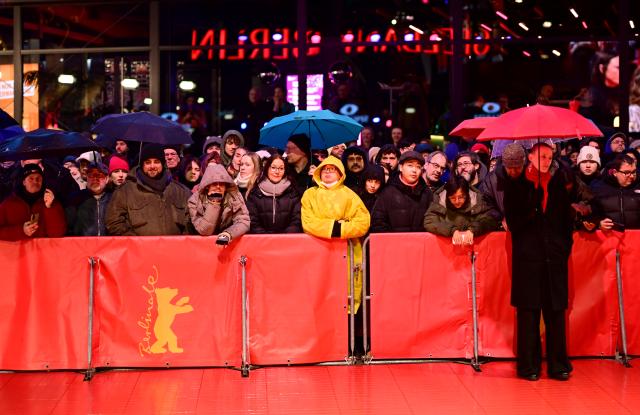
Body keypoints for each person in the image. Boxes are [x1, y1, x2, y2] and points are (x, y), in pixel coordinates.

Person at [503, 142, 575, 381]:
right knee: (529, 313)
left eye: (549, 156)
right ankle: (528, 366)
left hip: (554, 258)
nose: (546, 160)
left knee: (555, 312)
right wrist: (533, 204)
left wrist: (563, 248)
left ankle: (558, 365)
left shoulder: (557, 184)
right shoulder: (516, 186)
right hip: (528, 259)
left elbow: (566, 221)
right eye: (542, 156)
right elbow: (513, 223)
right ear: (530, 157)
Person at [301, 156, 370, 313]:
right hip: (317, 251)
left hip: (347, 251)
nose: (328, 172)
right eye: (325, 169)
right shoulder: (310, 195)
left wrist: (340, 229)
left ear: (340, 174)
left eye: (332, 170)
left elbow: (362, 223)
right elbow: (308, 223)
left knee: (345, 292)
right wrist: (336, 227)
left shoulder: (350, 195)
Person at [105, 144, 192, 236]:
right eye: (148, 162)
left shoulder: (181, 191)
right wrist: (136, 242)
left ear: (163, 163)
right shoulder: (125, 191)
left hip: (173, 248)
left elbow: (190, 223)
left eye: (156, 162)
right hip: (138, 248)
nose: (152, 166)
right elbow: (114, 222)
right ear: (142, 164)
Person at [0, 163, 66, 241]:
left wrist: (50, 208)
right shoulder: (8, 204)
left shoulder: (52, 202)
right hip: (17, 252)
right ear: (24, 182)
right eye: (31, 178)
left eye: (39, 178)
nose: (35, 181)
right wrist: (21, 231)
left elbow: (57, 234)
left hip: (43, 251)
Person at [424, 174, 498, 243]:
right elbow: (429, 222)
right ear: (447, 196)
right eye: (452, 198)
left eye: (461, 197)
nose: (457, 201)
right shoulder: (439, 201)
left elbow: (490, 220)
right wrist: (452, 230)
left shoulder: (477, 201)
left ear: (467, 194)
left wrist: (473, 230)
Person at [370, 151, 432, 232]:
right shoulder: (388, 192)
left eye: (418, 167)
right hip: (394, 242)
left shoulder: (427, 193)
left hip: (420, 242)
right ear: (401, 167)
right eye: (410, 165)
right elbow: (378, 221)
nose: (414, 170)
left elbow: (432, 220)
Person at [188, 164, 250, 243]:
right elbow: (205, 231)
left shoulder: (234, 196)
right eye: (214, 184)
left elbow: (244, 221)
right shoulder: (195, 201)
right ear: (207, 186)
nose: (218, 187)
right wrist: (214, 203)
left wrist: (228, 234)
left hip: (228, 241)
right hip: (203, 244)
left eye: (221, 184)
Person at [246, 154, 302, 234]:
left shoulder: (293, 192)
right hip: (261, 241)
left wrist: (284, 237)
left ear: (285, 171)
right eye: (273, 168)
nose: (277, 172)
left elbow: (297, 220)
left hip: (287, 241)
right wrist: (267, 238)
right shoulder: (255, 193)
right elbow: (252, 221)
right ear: (267, 169)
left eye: (281, 168)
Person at [480, 143, 527, 226]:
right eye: (509, 168)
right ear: (504, 164)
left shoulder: (531, 177)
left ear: (523, 163)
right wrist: (500, 218)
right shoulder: (491, 180)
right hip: (501, 227)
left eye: (517, 168)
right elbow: (485, 204)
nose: (513, 172)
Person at [589, 154, 640, 230]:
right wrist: (599, 223)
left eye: (634, 172)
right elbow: (590, 215)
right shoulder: (598, 188)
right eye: (627, 173)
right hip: (610, 237)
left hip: (636, 237)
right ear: (615, 172)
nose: (632, 176)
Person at [65, 162, 112, 236]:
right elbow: (68, 227)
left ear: (106, 179)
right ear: (86, 178)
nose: (95, 179)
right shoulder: (75, 199)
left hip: (108, 245)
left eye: (99, 175)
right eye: (91, 175)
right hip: (83, 245)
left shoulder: (114, 199)